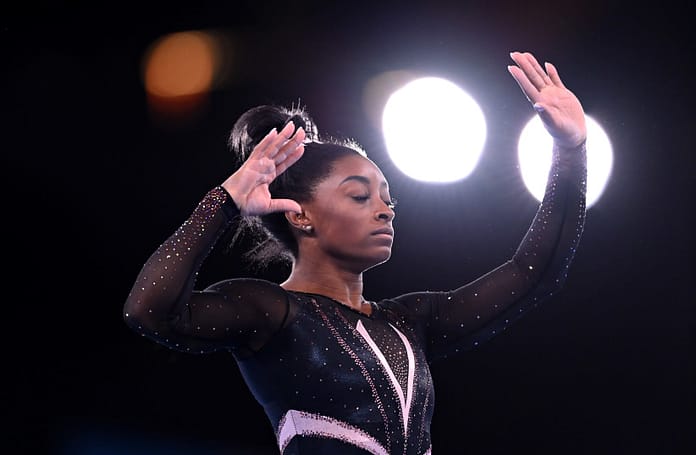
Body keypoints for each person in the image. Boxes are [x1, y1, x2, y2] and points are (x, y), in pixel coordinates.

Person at [123, 51, 587, 454]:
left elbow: (533, 273)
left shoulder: (411, 323)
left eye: (388, 198)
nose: (384, 211)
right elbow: (150, 312)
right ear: (301, 215)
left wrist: (570, 150)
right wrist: (223, 203)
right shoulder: (271, 312)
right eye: (359, 196)